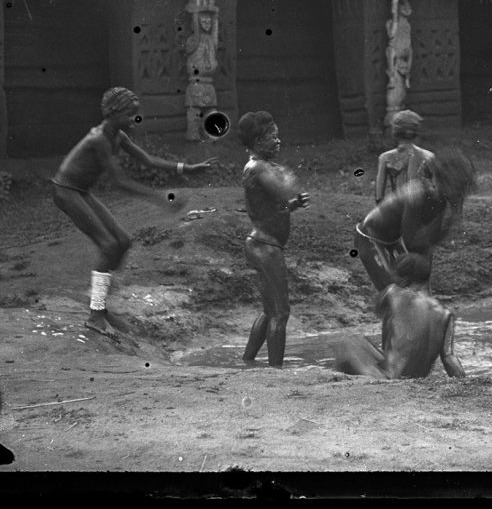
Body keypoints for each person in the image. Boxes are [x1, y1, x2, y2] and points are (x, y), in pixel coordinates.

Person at [51, 87, 214, 339]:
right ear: (113, 112)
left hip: (81, 190)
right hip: (66, 191)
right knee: (108, 246)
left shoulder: (118, 135)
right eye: (129, 114)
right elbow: (119, 182)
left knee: (123, 242)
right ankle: (96, 315)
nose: (133, 119)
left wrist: (187, 168)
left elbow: (147, 160)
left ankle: (100, 306)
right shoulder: (99, 140)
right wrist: (160, 199)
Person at [238, 111, 310, 368]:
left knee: (270, 311)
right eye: (273, 138)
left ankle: (248, 361)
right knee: (281, 312)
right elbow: (282, 191)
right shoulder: (258, 167)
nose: (278, 142)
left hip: (264, 244)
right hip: (265, 246)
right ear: (258, 142)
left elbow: (276, 207)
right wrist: (289, 179)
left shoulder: (261, 166)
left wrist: (293, 205)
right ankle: (276, 372)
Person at [354, 148, 475, 293]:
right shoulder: (415, 195)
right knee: (393, 291)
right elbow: (412, 242)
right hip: (369, 237)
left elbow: (428, 243)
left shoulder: (442, 199)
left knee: (415, 283)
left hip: (394, 239)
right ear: (438, 180)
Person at [332, 252, 465, 379]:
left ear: (404, 279)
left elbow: (378, 308)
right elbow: (449, 357)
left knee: (348, 342)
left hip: (390, 377)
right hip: (417, 380)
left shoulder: (393, 293)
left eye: (395, 275)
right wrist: (465, 383)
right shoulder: (446, 314)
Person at [374, 109, 435, 204]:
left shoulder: (385, 157)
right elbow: (435, 186)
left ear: (395, 131)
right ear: (416, 131)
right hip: (422, 207)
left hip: (398, 206)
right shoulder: (429, 156)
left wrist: (380, 207)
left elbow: (379, 194)